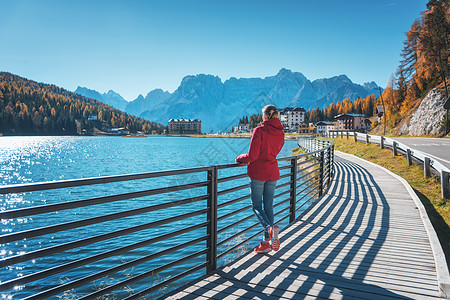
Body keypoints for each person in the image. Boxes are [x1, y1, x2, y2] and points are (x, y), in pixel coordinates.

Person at [235, 105, 285, 253]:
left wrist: (239, 158)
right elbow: (273, 152)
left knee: (256, 206)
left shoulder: (259, 130)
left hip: (258, 173)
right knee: (268, 207)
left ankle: (269, 230)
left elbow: (252, 156)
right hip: (273, 172)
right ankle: (266, 242)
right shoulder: (280, 133)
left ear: (264, 116)